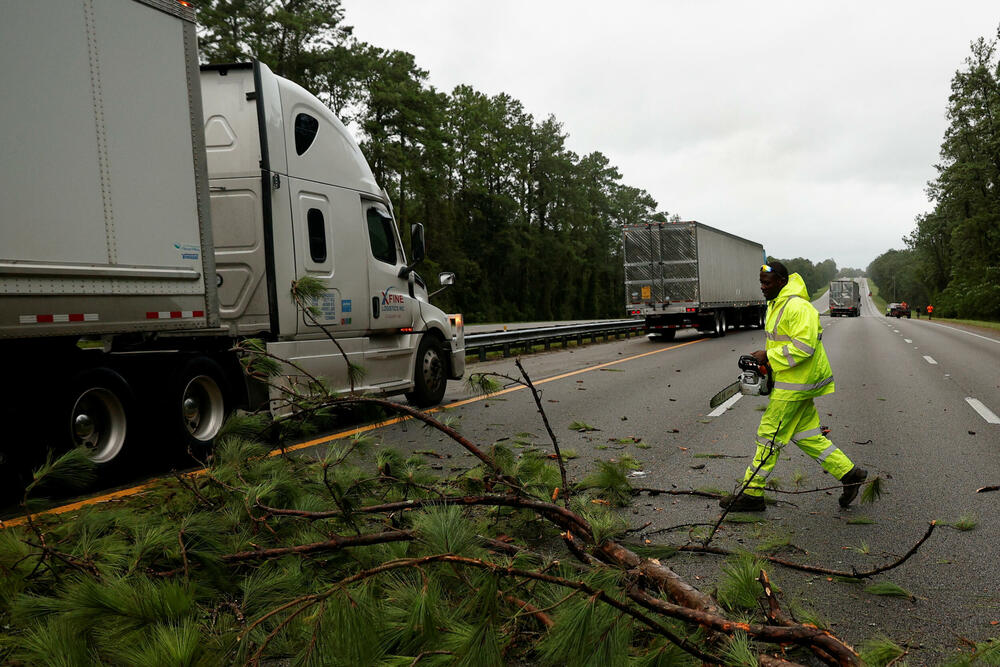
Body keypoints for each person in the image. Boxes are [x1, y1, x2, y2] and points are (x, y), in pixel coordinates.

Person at [720, 261, 867, 512]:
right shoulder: (777, 304)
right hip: (791, 383)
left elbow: (804, 347)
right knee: (807, 436)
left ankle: (752, 492)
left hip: (796, 385)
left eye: (767, 283)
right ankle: (850, 474)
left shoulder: (798, 307)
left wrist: (768, 357)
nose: (762, 287)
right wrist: (768, 363)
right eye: (761, 282)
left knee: (768, 436)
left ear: (782, 281)